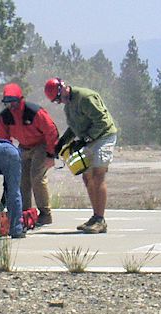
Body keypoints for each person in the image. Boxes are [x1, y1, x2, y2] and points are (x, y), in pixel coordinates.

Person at [44, 77, 117, 234]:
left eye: (59, 98)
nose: (60, 102)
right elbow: (73, 128)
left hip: (104, 136)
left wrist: (85, 139)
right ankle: (95, 216)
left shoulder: (85, 98)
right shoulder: (68, 107)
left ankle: (100, 219)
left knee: (98, 175)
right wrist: (61, 143)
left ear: (63, 88)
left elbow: (102, 122)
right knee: (87, 177)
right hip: (89, 139)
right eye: (56, 101)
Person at [0, 83, 59, 226]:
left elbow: (51, 131)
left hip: (42, 145)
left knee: (36, 176)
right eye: (8, 103)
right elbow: (3, 140)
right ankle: (25, 214)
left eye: (14, 102)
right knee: (22, 180)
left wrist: (51, 154)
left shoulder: (34, 112)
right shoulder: (5, 117)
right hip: (24, 147)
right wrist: (7, 160)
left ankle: (45, 214)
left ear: (20, 100)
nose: (11, 106)